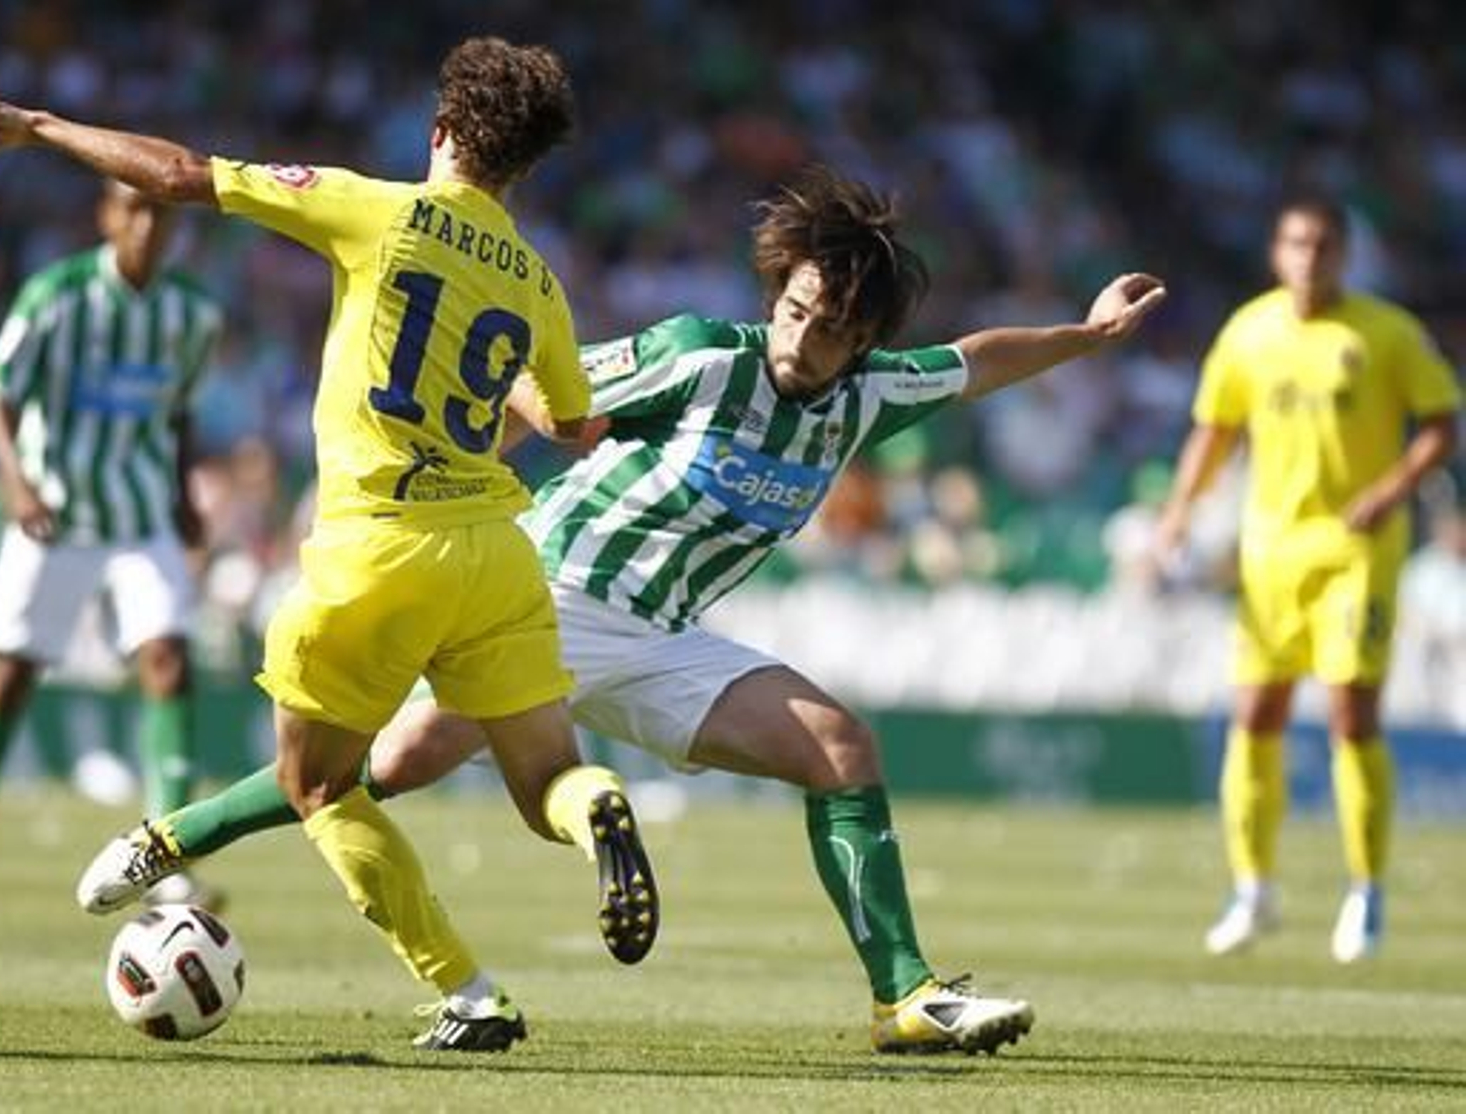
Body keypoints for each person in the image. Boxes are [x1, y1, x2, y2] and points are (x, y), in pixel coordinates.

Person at [74, 166, 1166, 1054]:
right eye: (790, 310)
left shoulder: (874, 395)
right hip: (540, 596)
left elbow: (976, 362)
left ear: (861, 340)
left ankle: (905, 996)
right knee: (372, 770)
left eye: (827, 328)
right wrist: (467, 482)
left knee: (842, 746)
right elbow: (534, 393)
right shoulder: (698, 358)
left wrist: (1088, 334)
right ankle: (165, 839)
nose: (798, 339)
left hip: (662, 636)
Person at [0, 34, 661, 1050]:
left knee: (319, 785)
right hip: (493, 552)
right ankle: (602, 805)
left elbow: (181, 177)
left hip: (378, 550)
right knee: (545, 788)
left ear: (440, 131)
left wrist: (41, 126)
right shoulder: (536, 281)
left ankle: (470, 993)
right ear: (526, 165)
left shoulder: (377, 208)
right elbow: (570, 421)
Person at [1157, 195, 1460, 963]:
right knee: (1255, 714)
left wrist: (1390, 491)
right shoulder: (1249, 331)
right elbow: (1214, 429)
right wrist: (1178, 512)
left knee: (1352, 716)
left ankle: (1366, 888)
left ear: (1343, 254)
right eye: (1296, 243)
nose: (1309, 257)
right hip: (1269, 551)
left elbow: (1441, 423)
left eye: (1323, 244)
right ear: (1276, 251)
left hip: (1357, 550)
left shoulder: (1385, 333)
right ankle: (1252, 889)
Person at [0, 180, 222, 912]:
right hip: (53, 516)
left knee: (169, 661)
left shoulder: (194, 313)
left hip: (142, 516)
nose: (149, 226)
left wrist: (184, 495)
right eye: (136, 209)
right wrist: (15, 481)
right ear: (108, 216)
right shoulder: (56, 295)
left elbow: (178, 411)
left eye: (162, 212)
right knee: (11, 677)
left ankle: (168, 859)